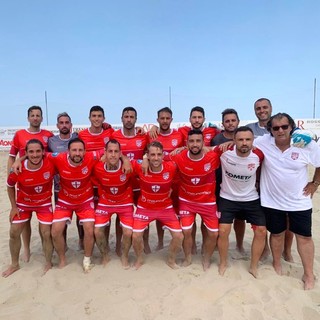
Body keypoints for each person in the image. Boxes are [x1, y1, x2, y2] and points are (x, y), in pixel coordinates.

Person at [255, 112, 320, 290]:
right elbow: (240, 140)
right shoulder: (262, 142)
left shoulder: (305, 144)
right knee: (276, 234)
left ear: (291, 127)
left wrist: (315, 183)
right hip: (272, 200)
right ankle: (277, 263)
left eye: (284, 126)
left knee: (305, 237)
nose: (280, 130)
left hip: (299, 201)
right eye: (276, 128)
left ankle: (308, 274)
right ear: (270, 130)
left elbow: (319, 164)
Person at [247, 98, 293, 262]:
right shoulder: (251, 129)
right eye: (258, 108)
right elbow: (240, 142)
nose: (262, 110)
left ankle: (287, 251)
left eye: (265, 107)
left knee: (288, 219)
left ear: (271, 108)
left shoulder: (284, 128)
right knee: (263, 218)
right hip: (260, 182)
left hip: (282, 182)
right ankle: (265, 248)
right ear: (255, 111)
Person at [217, 127, 266, 277]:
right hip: (227, 198)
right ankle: (223, 263)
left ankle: (253, 266)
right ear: (234, 141)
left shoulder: (259, 154)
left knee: (261, 231)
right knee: (223, 231)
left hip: (251, 198)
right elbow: (202, 149)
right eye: (240, 139)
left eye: (248, 139)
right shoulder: (223, 152)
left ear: (253, 141)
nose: (244, 143)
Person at [2, 139, 55, 277]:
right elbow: (9, 186)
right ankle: (14, 264)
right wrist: (14, 207)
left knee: (46, 232)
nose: (35, 155)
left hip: (44, 204)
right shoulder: (18, 168)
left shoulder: (50, 162)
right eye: (31, 152)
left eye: (38, 151)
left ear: (43, 152)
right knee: (14, 231)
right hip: (23, 204)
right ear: (25, 153)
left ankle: (48, 262)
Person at [7, 105, 53, 263]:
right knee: (23, 222)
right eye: (32, 115)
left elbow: (52, 155)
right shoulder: (20, 134)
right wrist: (12, 171)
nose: (35, 117)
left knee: (45, 229)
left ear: (41, 118)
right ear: (28, 118)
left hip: (43, 178)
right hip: (24, 178)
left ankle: (45, 254)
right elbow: (12, 157)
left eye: (38, 115)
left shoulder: (48, 135)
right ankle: (26, 249)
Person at [170, 129, 220, 270]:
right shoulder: (178, 157)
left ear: (203, 142)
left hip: (207, 202)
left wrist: (211, 148)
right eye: (191, 141)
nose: (195, 144)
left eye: (198, 141)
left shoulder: (213, 156)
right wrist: (143, 159)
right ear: (186, 143)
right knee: (186, 231)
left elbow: (233, 144)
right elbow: (157, 159)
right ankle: (188, 258)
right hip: (187, 202)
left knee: (214, 233)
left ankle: (206, 258)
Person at [49, 138, 100, 272]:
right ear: (68, 151)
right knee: (55, 231)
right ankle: (62, 259)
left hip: (85, 201)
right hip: (65, 202)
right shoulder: (59, 158)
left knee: (89, 229)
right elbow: (39, 154)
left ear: (85, 151)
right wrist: (20, 159)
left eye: (80, 150)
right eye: (74, 150)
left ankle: (87, 259)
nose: (77, 153)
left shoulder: (92, 156)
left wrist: (125, 160)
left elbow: (110, 152)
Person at [132, 141, 183, 269]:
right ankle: (139, 259)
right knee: (136, 235)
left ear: (163, 155)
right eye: (152, 155)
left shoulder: (170, 166)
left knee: (179, 236)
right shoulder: (140, 166)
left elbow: (189, 153)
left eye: (159, 154)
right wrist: (143, 159)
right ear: (148, 155)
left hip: (165, 208)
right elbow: (124, 159)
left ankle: (171, 260)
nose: (156, 158)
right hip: (145, 208)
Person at [112, 106, 149, 254]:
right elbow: (111, 152)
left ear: (136, 119)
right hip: (122, 182)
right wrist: (124, 158)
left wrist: (145, 158)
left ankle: (145, 243)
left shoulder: (142, 136)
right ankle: (118, 245)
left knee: (143, 214)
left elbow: (149, 151)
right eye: (126, 117)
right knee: (120, 214)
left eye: (131, 117)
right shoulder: (114, 135)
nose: (129, 120)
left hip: (140, 182)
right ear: (121, 119)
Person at [93, 139, 134, 268]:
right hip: (105, 202)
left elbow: (148, 163)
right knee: (98, 231)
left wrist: (140, 159)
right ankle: (105, 256)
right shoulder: (97, 167)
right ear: (105, 153)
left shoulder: (128, 166)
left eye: (116, 152)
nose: (113, 155)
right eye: (110, 151)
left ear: (120, 153)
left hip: (124, 202)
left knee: (128, 233)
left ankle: (124, 256)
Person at [211, 109, 246, 256]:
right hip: (220, 183)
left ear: (238, 121)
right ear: (223, 123)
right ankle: (218, 244)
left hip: (240, 185)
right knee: (220, 217)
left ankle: (239, 245)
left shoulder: (245, 138)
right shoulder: (216, 139)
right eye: (227, 121)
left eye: (233, 120)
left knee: (240, 218)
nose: (230, 123)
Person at [149, 107, 184, 250]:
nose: (164, 121)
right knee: (160, 213)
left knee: (179, 212)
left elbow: (187, 149)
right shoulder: (152, 135)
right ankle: (160, 241)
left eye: (167, 118)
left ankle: (180, 241)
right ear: (157, 120)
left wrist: (183, 149)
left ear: (171, 120)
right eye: (161, 118)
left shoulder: (179, 135)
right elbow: (146, 154)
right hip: (159, 181)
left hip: (177, 181)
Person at [48, 112, 81, 248]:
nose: (64, 125)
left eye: (67, 122)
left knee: (81, 219)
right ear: (57, 125)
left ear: (71, 125)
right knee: (62, 220)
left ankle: (81, 241)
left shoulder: (77, 137)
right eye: (61, 123)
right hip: (59, 188)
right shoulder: (51, 141)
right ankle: (64, 244)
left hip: (79, 187)